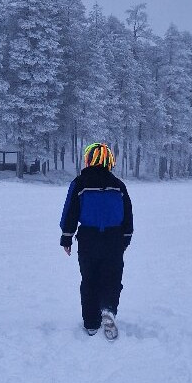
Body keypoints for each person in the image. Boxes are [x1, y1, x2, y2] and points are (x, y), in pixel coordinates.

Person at [59, 143, 133, 340]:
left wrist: (66, 236)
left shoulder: (80, 183)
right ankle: (108, 309)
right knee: (112, 278)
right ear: (109, 160)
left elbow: (70, 210)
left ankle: (91, 323)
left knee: (89, 279)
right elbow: (128, 214)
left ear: (89, 159)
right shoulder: (118, 185)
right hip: (114, 238)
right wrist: (126, 238)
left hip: (88, 239)